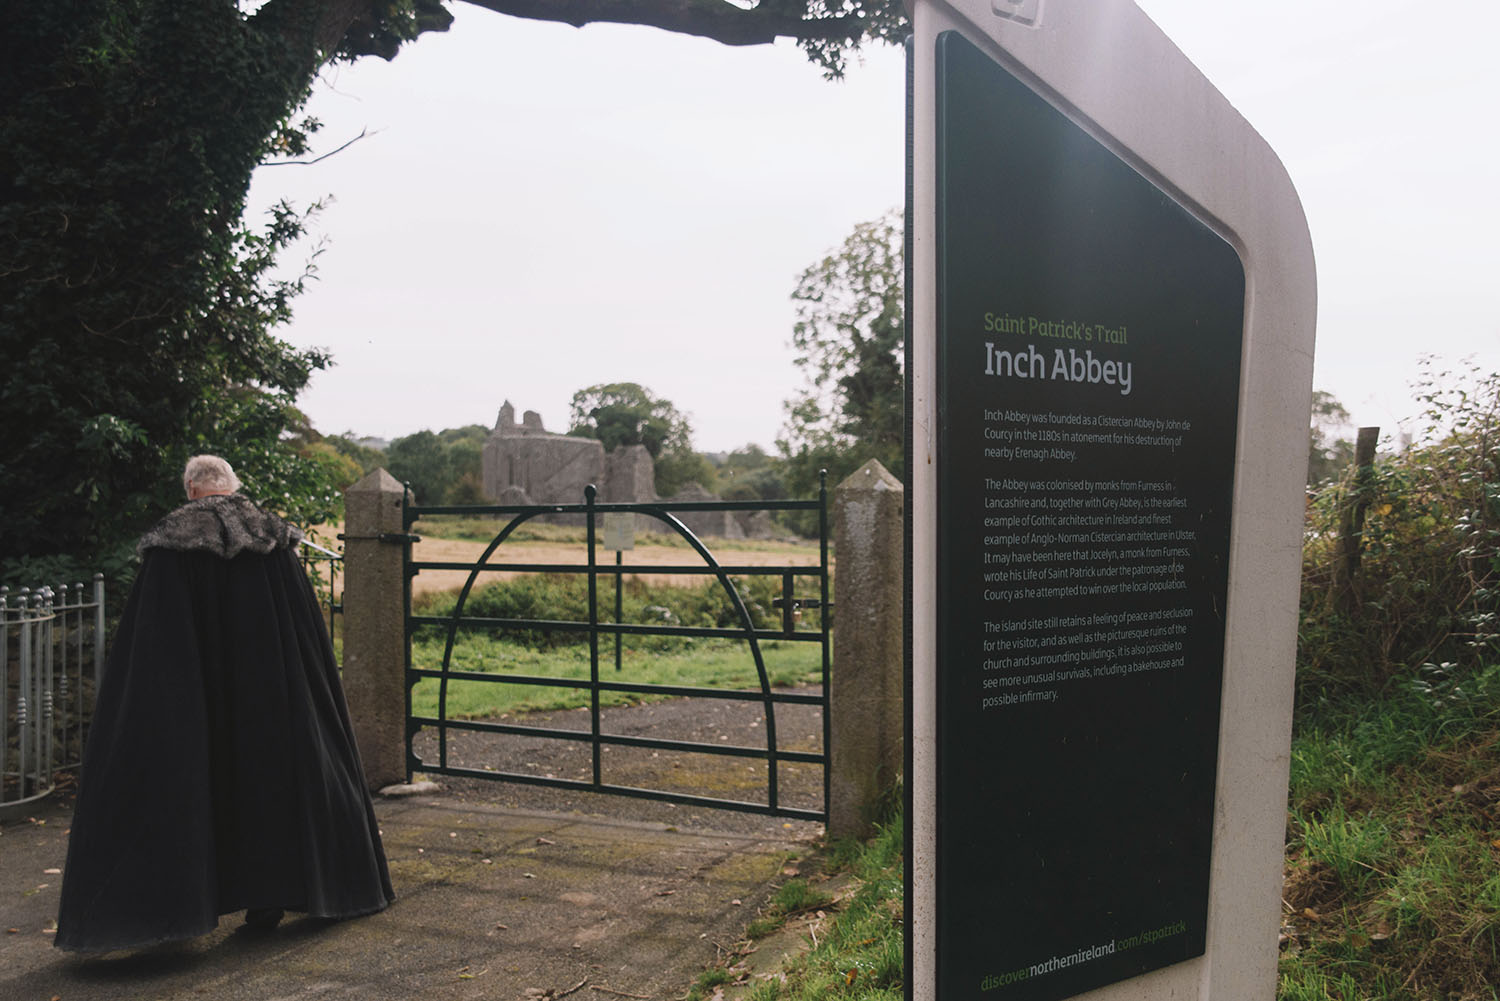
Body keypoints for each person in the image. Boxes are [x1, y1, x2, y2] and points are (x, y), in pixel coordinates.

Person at [55, 455, 394, 952]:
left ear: (192, 489)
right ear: (233, 488)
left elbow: (153, 644)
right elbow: (305, 636)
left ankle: (178, 910)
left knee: (194, 777)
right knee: (271, 780)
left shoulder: (172, 544)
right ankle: (271, 896)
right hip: (274, 692)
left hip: (193, 692)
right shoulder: (272, 541)